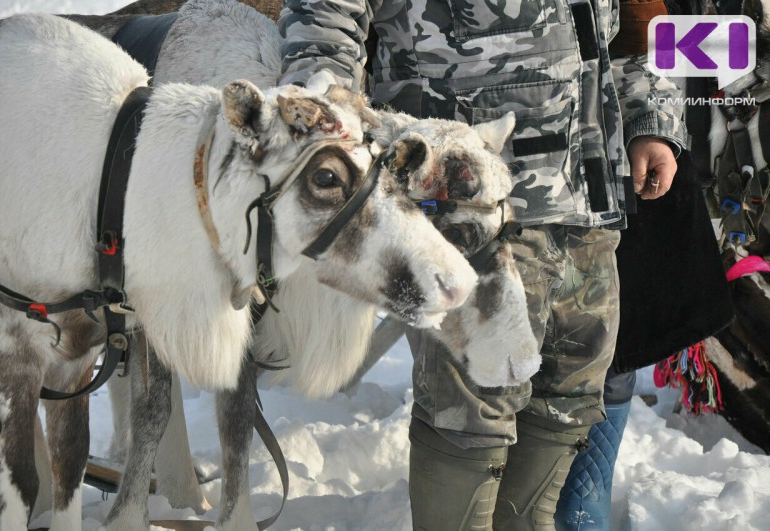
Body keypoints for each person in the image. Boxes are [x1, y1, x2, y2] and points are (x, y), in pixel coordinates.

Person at [277, 0, 688, 529]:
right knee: (469, 406)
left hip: (588, 197)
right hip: (462, 206)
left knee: (570, 391)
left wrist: (650, 119)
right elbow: (322, 18)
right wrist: (331, 124)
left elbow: (635, 23)